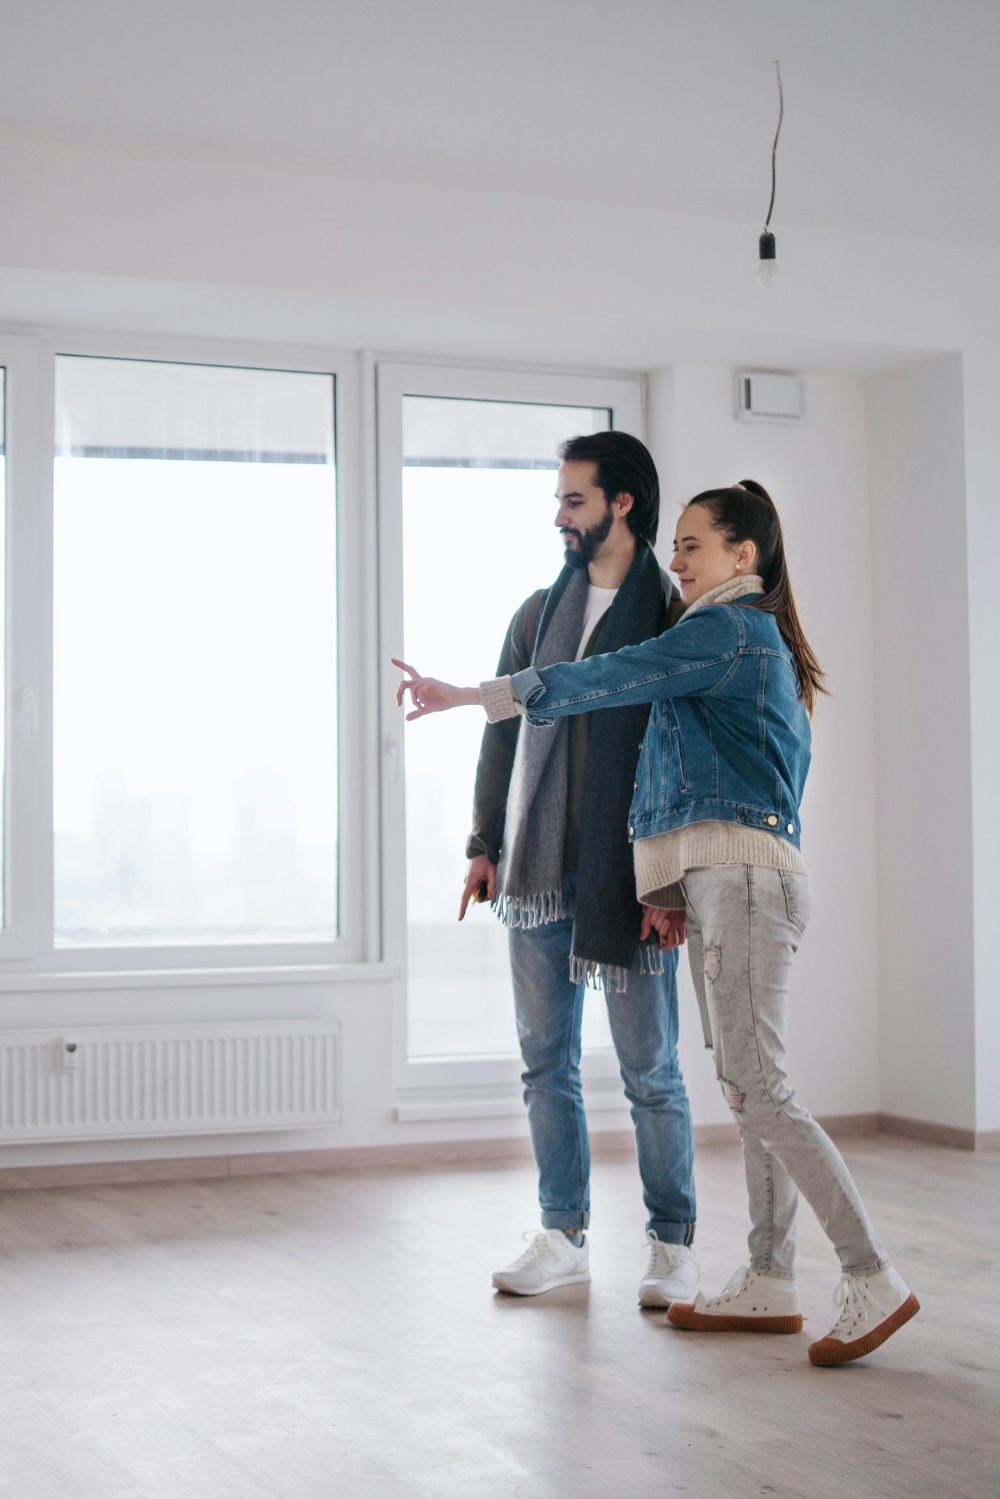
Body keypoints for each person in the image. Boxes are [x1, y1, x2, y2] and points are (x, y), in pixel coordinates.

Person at [395, 479, 920, 1367]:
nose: (675, 560)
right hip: (727, 884)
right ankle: (770, 1277)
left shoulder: (727, 631)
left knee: (761, 1088)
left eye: (692, 544)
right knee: (749, 1089)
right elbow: (696, 779)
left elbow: (610, 677)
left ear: (743, 555)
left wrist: (476, 695)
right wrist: (671, 888)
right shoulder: (736, 639)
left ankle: (871, 1273)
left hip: (745, 885)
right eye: (673, 544)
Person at [396, 432, 700, 1308]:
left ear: (621, 503)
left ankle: (672, 1244)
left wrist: (671, 885)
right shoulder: (536, 613)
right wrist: (483, 843)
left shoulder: (672, 619)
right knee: (544, 1064)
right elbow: (504, 731)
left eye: (574, 500)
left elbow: (682, 757)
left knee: (651, 1071)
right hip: (536, 873)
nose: (559, 516)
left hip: (632, 879)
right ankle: (562, 1235)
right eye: (560, 500)